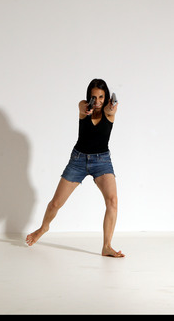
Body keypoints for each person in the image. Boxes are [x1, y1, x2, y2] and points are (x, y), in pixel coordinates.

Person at [26, 79, 124, 258]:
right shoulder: (83, 107)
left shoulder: (110, 111)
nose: (98, 101)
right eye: (94, 97)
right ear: (89, 97)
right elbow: (82, 106)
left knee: (113, 201)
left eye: (102, 97)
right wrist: (87, 109)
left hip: (102, 161)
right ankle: (43, 228)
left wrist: (111, 106)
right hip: (78, 160)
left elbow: (110, 108)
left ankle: (107, 246)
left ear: (107, 97)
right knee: (55, 203)